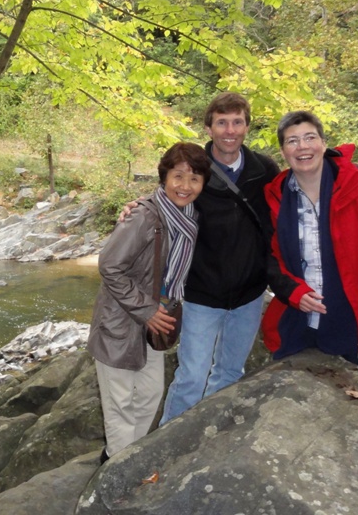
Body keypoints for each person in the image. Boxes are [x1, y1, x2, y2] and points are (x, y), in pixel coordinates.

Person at [133, 92, 281, 425]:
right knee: (191, 376)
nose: (230, 130)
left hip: (249, 295)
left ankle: (207, 436)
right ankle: (165, 447)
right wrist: (138, 207)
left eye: (237, 122)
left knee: (230, 371)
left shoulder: (263, 169)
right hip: (201, 294)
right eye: (222, 122)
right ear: (209, 127)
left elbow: (283, 216)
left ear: (247, 126)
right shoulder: (197, 168)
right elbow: (167, 196)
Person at [262, 110, 358, 382]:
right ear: (283, 151)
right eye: (292, 141)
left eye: (310, 137)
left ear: (323, 143)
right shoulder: (276, 194)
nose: (302, 146)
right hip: (301, 325)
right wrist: (291, 291)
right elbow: (270, 258)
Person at [88, 142, 211, 463]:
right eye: (178, 176)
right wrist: (147, 310)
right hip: (122, 323)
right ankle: (117, 464)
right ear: (164, 177)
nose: (185, 186)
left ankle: (127, 457)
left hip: (153, 325)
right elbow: (109, 265)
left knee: (150, 395)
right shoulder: (144, 216)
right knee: (119, 404)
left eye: (195, 179)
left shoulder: (188, 217)